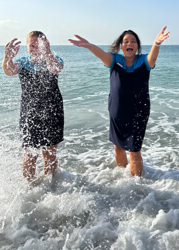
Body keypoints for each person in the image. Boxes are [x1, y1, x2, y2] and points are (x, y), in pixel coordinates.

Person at [69, 27, 170, 176]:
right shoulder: (115, 60)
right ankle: (121, 179)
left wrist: (156, 43)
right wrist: (89, 45)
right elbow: (101, 54)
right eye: (126, 41)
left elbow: (152, 58)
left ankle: (137, 184)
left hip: (139, 111)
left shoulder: (144, 61)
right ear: (121, 46)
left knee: (134, 150)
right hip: (117, 111)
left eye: (133, 41)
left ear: (137, 46)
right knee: (118, 147)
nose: (129, 43)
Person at [2, 31, 64, 184]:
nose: (35, 47)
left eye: (39, 44)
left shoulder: (53, 59)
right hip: (30, 113)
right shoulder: (23, 62)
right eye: (32, 45)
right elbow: (8, 71)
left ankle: (50, 187)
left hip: (52, 112)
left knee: (49, 153)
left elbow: (55, 68)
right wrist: (8, 56)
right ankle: (30, 189)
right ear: (27, 47)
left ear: (46, 45)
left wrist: (47, 51)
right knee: (30, 154)